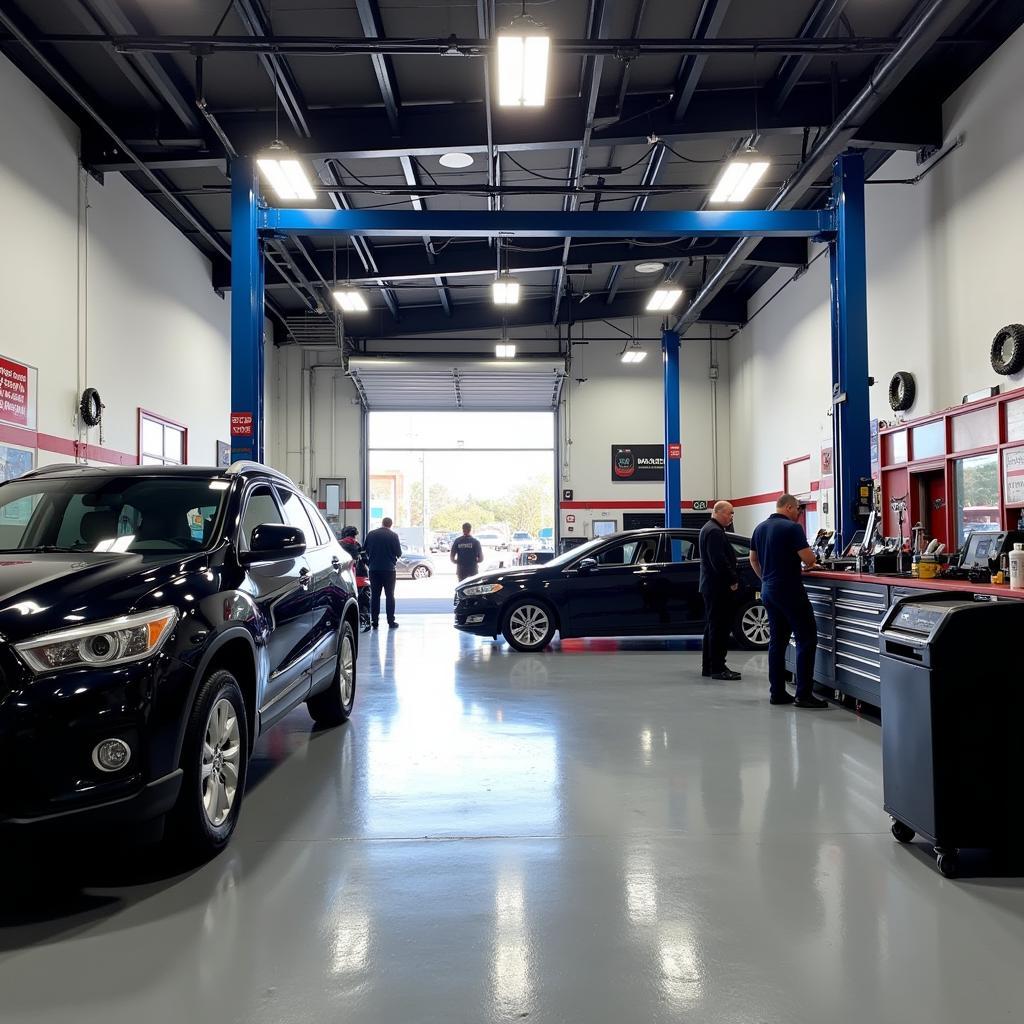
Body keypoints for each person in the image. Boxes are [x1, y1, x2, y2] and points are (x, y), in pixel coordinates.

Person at [750, 494, 828, 709]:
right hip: (790, 591)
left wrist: (766, 578)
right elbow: (809, 559)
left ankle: (777, 692)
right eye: (798, 510)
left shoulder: (760, 528)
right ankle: (803, 695)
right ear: (789, 507)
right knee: (806, 638)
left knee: (777, 641)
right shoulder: (792, 529)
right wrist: (812, 563)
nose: (799, 514)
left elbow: (753, 559)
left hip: (769, 590)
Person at [699, 500, 741, 680]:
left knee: (712, 627)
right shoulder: (715, 531)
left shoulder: (707, 528)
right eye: (729, 513)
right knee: (720, 628)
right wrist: (732, 579)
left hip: (711, 585)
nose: (731, 517)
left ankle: (709, 666)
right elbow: (718, 560)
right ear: (718, 512)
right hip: (718, 587)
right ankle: (717, 667)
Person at [363, 517, 403, 629]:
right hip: (389, 570)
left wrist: (368, 562)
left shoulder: (371, 534)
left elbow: (363, 550)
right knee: (390, 596)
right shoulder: (393, 536)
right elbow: (399, 553)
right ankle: (391, 622)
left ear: (382, 523)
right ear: (391, 524)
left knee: (375, 596)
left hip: (374, 569)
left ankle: (374, 622)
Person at [338, 526, 371, 632]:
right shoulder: (357, 545)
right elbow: (365, 560)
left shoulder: (339, 545)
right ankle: (365, 622)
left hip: (347, 576)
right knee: (364, 600)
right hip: (361, 576)